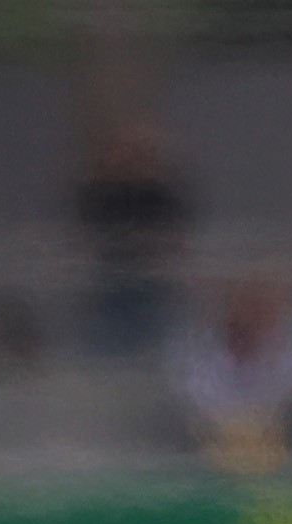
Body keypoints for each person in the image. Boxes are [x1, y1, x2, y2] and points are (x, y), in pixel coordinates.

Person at [172, 273, 292, 472]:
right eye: (243, 306)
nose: (250, 316)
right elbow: (199, 417)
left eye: (260, 307)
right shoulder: (198, 364)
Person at [74, 118, 190, 358]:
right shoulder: (99, 192)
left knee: (154, 335)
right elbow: (87, 228)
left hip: (151, 281)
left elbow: (176, 229)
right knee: (109, 339)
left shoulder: (158, 192)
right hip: (110, 280)